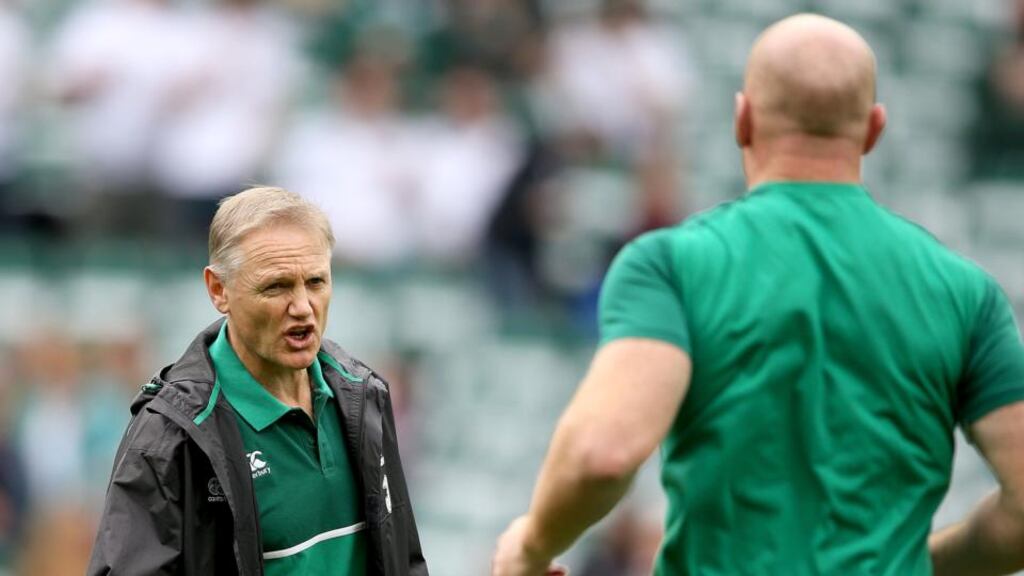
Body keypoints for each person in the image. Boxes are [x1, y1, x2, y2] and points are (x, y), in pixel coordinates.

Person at [492, 13, 1024, 576]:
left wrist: (532, 546)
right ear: (873, 130)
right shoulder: (965, 293)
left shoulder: (673, 265)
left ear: (742, 120)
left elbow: (605, 454)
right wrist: (912, 563)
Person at [87, 186, 427, 575]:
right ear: (219, 290)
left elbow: (405, 561)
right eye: (276, 286)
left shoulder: (365, 398)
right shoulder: (170, 438)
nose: (302, 308)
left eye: (316, 282)